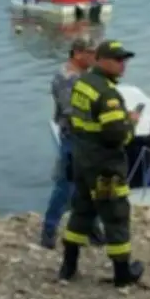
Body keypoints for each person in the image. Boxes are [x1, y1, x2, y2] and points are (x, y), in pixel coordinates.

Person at [59, 39, 144, 287]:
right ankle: (122, 273)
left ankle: (68, 266)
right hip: (105, 166)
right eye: (118, 60)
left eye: (124, 60)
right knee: (116, 216)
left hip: (82, 160)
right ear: (101, 60)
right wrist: (131, 123)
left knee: (81, 211)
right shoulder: (108, 94)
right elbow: (118, 136)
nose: (123, 65)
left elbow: (80, 121)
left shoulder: (83, 83)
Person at [40, 37, 105, 249]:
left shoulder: (84, 76)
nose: (95, 58)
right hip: (74, 139)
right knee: (65, 186)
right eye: (91, 53)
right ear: (78, 54)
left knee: (87, 186)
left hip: (85, 140)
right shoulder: (67, 78)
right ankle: (49, 230)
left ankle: (92, 229)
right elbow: (71, 111)